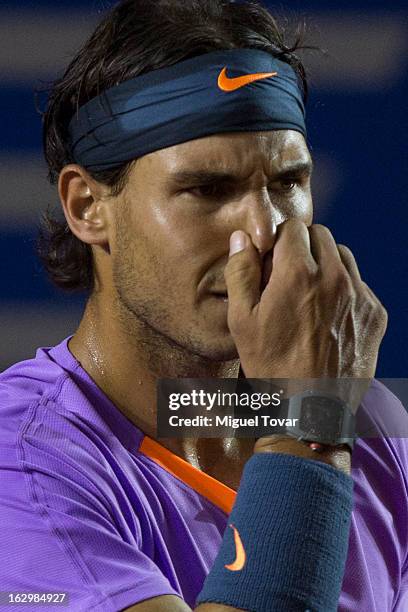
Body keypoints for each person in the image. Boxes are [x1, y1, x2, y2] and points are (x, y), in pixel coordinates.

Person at [0, 1, 407, 610]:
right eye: (207, 190)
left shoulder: (372, 425)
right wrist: (312, 426)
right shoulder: (22, 468)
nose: (264, 231)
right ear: (87, 206)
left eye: (287, 183)